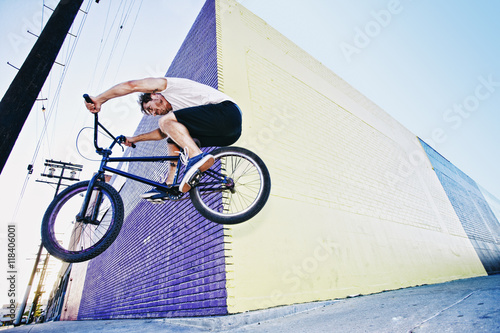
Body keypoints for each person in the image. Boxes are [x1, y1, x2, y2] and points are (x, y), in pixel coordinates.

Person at [84, 77, 242, 199]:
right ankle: (169, 185)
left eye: (150, 108)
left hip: (227, 113)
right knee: (173, 138)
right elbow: (162, 132)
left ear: (154, 95)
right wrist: (134, 139)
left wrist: (100, 98)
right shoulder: (180, 114)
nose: (153, 113)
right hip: (227, 134)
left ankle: (196, 157)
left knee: (165, 122)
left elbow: (132, 85)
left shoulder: (167, 86)